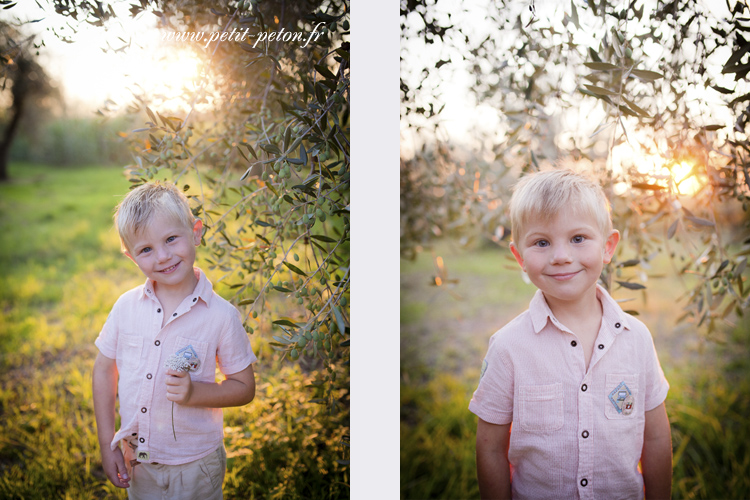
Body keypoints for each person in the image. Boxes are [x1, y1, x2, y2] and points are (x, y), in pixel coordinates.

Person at [470, 169, 672, 499]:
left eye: (578, 239)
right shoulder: (508, 347)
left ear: (608, 247)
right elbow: (490, 447)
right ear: (520, 257)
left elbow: (656, 437)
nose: (561, 256)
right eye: (542, 242)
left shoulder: (637, 339)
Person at [92, 182, 257, 500]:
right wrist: (106, 441)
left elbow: (244, 387)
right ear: (131, 257)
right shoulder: (126, 307)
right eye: (146, 249)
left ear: (195, 232)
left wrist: (195, 392)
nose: (163, 256)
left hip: (196, 466)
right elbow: (103, 370)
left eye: (171, 239)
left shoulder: (221, 316)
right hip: (139, 461)